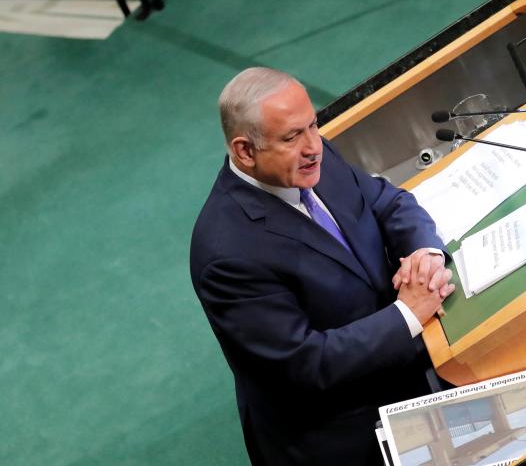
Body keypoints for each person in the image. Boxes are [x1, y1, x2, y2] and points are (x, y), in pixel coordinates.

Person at [189, 67, 455, 466]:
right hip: (345, 437)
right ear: (245, 151)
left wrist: (425, 255)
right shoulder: (226, 254)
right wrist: (407, 315)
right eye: (292, 137)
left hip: (410, 377)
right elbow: (305, 365)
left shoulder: (313, 157)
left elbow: (387, 202)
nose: (314, 145)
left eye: (313, 125)